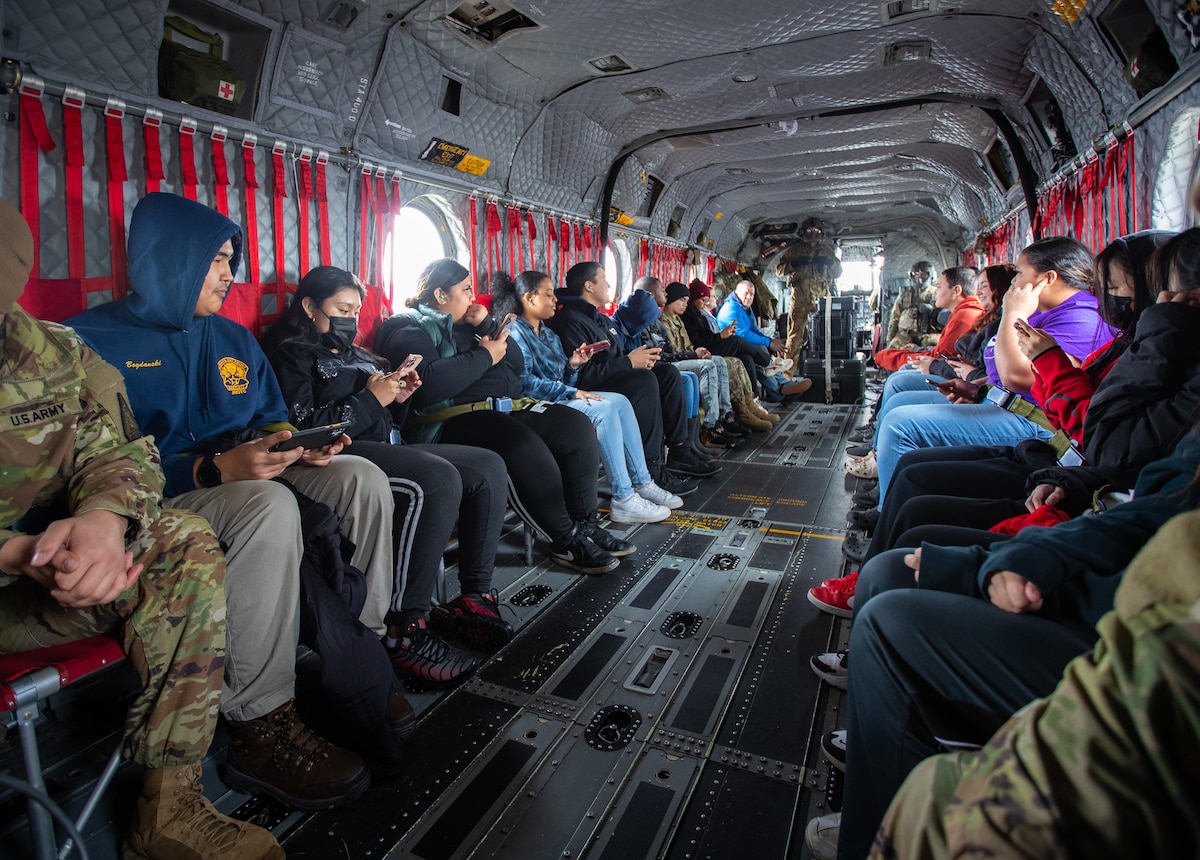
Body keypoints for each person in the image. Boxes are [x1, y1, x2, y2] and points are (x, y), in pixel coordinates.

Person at [67, 192, 386, 808]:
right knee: (266, 506)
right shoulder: (88, 339)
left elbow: (271, 420)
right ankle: (260, 723)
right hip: (164, 497)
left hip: (242, 469)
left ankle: (358, 658)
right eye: (216, 259)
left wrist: (297, 446)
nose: (228, 273)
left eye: (232, 259)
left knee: (357, 477)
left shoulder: (234, 340)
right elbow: (93, 470)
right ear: (171, 259)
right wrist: (211, 470)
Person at [0, 198, 281, 859]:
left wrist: (103, 520)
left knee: (181, 542)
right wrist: (18, 552)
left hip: (47, 580)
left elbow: (119, 449)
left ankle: (170, 807)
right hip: (19, 569)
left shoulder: (51, 350)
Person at [805, 422, 1200, 860]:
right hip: (1108, 567)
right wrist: (1038, 553)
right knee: (888, 572)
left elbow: (1116, 444)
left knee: (890, 624)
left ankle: (875, 839)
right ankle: (872, 787)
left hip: (1139, 643)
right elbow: (1156, 506)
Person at [872, 507, 1200, 858]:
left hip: (1102, 623)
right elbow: (1141, 511)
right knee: (893, 565)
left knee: (890, 621)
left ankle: (868, 826)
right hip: (1095, 566)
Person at [260, 265, 513, 680]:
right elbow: (300, 424)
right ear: (309, 306)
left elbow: (387, 413)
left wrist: (399, 396)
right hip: (340, 453)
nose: (351, 319)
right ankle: (404, 627)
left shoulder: (358, 354)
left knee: (487, 466)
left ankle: (473, 596)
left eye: (356, 310)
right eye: (341, 308)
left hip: (387, 443)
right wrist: (371, 400)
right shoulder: (291, 353)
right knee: (436, 480)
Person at [374, 258, 624, 575]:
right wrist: (484, 355)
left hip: (502, 407)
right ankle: (567, 537)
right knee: (518, 443)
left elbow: (516, 363)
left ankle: (586, 524)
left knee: (574, 425)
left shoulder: (468, 325)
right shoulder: (408, 325)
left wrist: (486, 326)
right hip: (447, 422)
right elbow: (428, 384)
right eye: (465, 290)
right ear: (440, 295)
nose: (472, 297)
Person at [490, 269, 682, 523]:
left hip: (560, 396)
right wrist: (571, 390)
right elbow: (526, 383)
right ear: (529, 298)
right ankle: (623, 497)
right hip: (536, 404)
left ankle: (643, 481)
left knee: (620, 402)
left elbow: (563, 377)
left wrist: (573, 365)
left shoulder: (548, 334)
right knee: (603, 410)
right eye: (548, 295)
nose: (555, 300)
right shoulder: (516, 334)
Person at [547, 263, 714, 483]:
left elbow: (617, 353)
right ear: (589, 286)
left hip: (616, 375)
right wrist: (628, 362)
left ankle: (679, 450)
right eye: (604, 279)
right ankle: (651, 468)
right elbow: (583, 374)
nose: (608, 284)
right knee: (644, 381)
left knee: (667, 373)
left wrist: (640, 359)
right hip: (595, 384)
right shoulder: (571, 321)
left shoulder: (600, 319)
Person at [884, 261, 937, 349]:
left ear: (931, 275)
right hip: (905, 336)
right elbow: (895, 317)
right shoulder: (904, 295)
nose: (919, 277)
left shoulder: (937, 293)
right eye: (916, 274)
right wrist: (890, 338)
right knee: (889, 354)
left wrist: (932, 311)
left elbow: (946, 317)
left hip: (929, 336)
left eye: (923, 274)